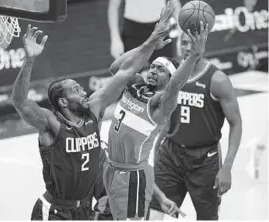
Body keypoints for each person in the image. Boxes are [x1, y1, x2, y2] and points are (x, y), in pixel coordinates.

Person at [10, 23, 159, 220]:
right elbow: (19, 102)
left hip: (85, 210)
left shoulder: (93, 111)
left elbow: (126, 72)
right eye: (76, 90)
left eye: (81, 88)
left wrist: (151, 42)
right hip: (55, 211)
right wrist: (29, 60)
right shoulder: (51, 124)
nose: (83, 92)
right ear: (63, 101)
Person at [103, 2, 209, 220]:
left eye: (160, 70)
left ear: (168, 79)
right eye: (152, 66)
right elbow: (116, 68)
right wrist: (150, 42)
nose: (152, 71)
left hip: (131, 175)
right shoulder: (136, 84)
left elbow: (176, 85)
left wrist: (193, 55)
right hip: (111, 168)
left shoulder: (160, 103)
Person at [149, 30, 243, 220]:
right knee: (154, 212)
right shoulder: (172, 76)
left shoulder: (217, 80)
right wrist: (158, 144)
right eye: (183, 43)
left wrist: (227, 167)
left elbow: (236, 123)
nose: (187, 47)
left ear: (202, 44)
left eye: (192, 43)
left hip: (204, 160)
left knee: (206, 217)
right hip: (171, 153)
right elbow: (168, 115)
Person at [108, 0, 181, 63]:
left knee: (165, 71)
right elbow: (113, 5)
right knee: (130, 75)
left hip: (160, 27)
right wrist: (115, 39)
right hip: (133, 30)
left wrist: (181, 35)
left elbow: (175, 3)